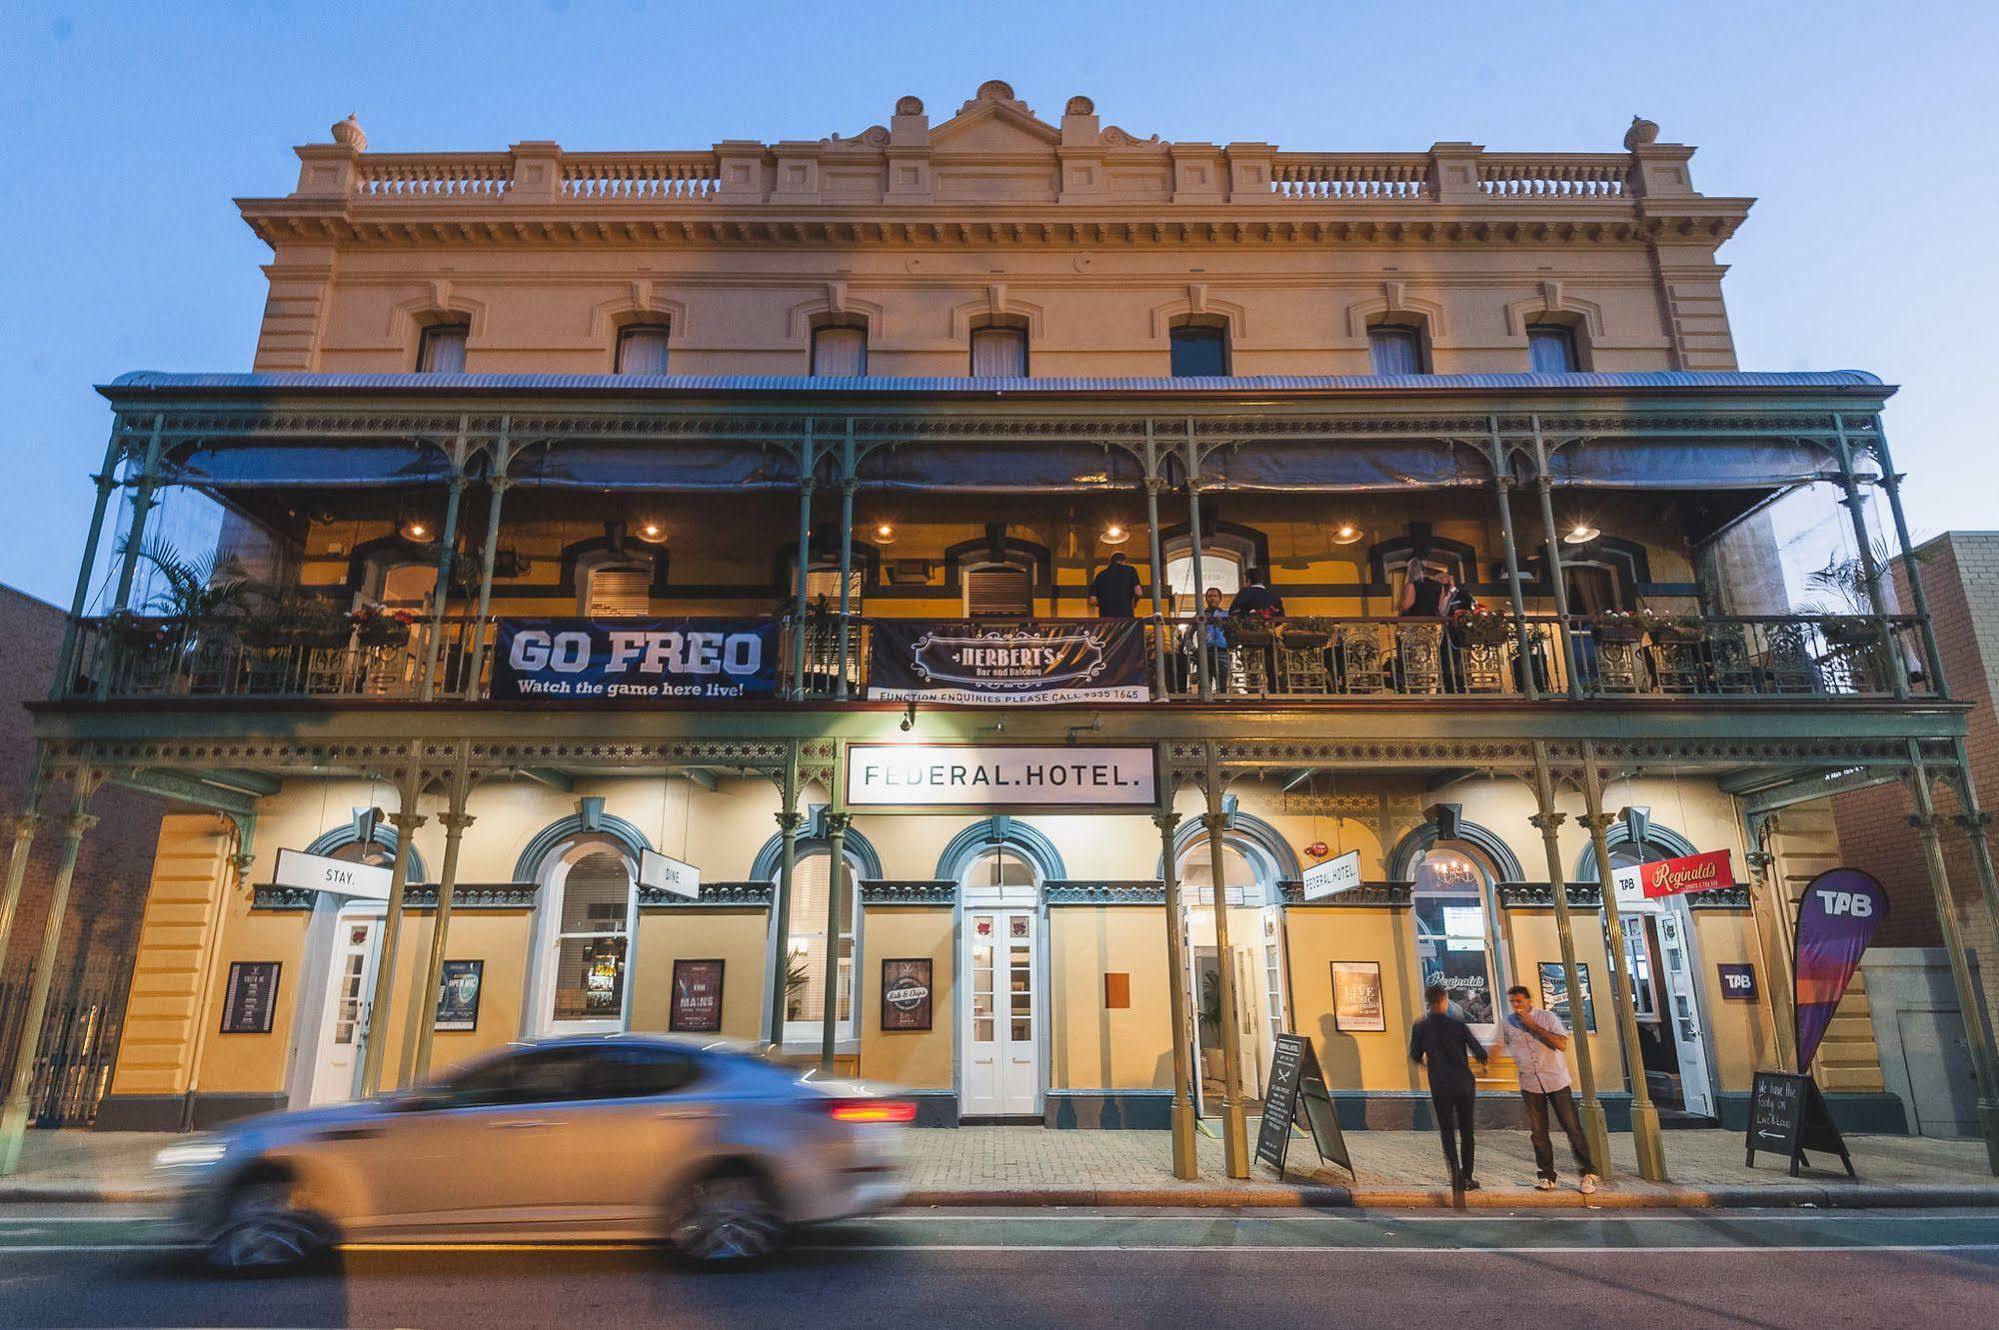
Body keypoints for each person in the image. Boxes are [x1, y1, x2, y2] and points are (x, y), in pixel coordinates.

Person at [1502, 985, 1599, 1195]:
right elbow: (1501, 1044)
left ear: (1529, 1001)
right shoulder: (1508, 1024)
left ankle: (1587, 1174)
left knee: (1572, 1128)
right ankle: (1546, 1175)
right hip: (1530, 1084)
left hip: (1556, 1081)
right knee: (1538, 1133)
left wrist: (1533, 1026)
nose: (1516, 1005)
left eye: (1519, 1001)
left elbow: (1562, 1044)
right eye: (1512, 1001)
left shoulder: (1547, 1017)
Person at [1409, 983, 1487, 1191]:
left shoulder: (1420, 1026)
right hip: (1463, 1083)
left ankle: (1455, 1174)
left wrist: (1430, 1065)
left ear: (1428, 1000)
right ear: (1444, 999)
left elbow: (1415, 1055)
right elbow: (1479, 1052)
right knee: (1467, 1130)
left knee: (1447, 1131)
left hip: (1440, 1084)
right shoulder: (1458, 1024)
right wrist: (1483, 1064)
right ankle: (1467, 1176)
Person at [1182, 585, 1231, 693]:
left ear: (1220, 599)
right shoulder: (1200, 615)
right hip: (1204, 652)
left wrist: (1231, 646)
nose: (1212, 598)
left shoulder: (1226, 615)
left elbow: (1233, 633)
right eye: (1209, 596)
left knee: (1222, 685)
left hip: (1222, 652)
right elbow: (1187, 634)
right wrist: (1193, 650)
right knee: (1204, 685)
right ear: (1206, 599)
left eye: (1215, 596)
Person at [1089, 551, 1142, 619]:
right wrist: (1133, 602)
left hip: (1106, 617)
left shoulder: (1100, 575)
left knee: (1109, 629)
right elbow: (1139, 593)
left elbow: (1092, 600)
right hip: (1125, 615)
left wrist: (1106, 603)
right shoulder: (1130, 570)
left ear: (1110, 562)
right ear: (1124, 561)